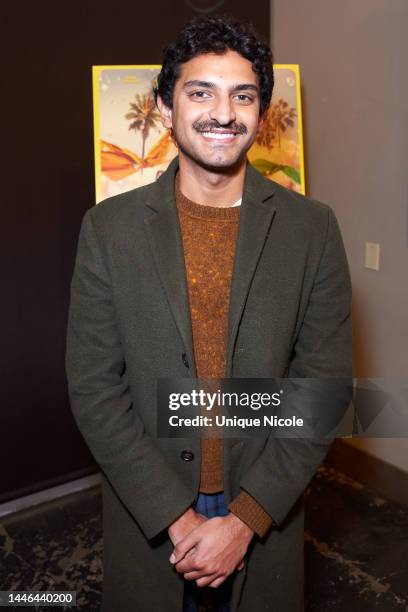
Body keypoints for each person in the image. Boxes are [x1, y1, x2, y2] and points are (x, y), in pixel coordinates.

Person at [65, 16, 352, 612]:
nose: (223, 112)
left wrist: (245, 519)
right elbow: (94, 388)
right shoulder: (108, 230)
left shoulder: (313, 228)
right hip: (151, 508)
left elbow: (321, 389)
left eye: (242, 95)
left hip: (263, 503)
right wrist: (175, 515)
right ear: (167, 111)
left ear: (261, 115)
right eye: (201, 92)